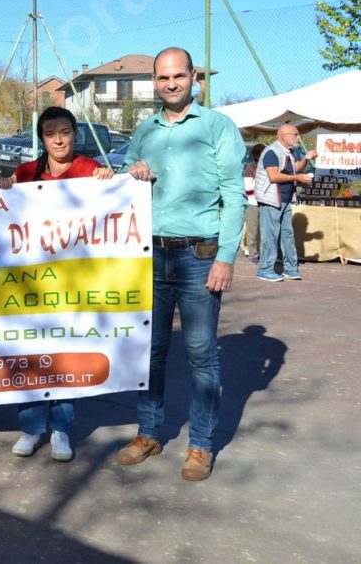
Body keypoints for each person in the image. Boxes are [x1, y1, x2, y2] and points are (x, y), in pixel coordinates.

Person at [117, 47, 246, 481]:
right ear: (153, 81)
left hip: (199, 255)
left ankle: (201, 445)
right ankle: (148, 433)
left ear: (194, 77)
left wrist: (225, 257)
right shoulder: (144, 131)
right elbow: (122, 180)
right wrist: (128, 169)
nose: (170, 84)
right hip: (149, 256)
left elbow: (234, 196)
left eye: (178, 76)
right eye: (162, 78)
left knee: (201, 355)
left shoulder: (217, 127)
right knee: (149, 353)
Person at [0, 106, 114, 462]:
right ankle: (31, 429)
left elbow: (116, 207)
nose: (58, 139)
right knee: (31, 353)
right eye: (50, 133)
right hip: (30, 284)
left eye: (65, 131)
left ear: (75, 134)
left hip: (74, 282)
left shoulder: (92, 171)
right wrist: (1, 189)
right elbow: (5, 211)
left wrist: (112, 181)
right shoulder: (26, 172)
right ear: (41, 138)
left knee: (66, 354)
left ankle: (61, 429)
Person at [254, 125, 317, 281]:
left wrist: (306, 159)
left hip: (286, 200)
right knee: (270, 235)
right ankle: (265, 269)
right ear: (284, 136)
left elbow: (295, 169)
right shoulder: (271, 152)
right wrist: (298, 178)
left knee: (287, 235)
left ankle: (290, 268)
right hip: (271, 201)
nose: (298, 137)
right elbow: (273, 177)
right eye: (295, 134)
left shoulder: (287, 152)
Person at [241, 143, 266, 264]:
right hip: (253, 203)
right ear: (256, 155)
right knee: (253, 229)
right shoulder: (250, 168)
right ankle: (253, 253)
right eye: (261, 153)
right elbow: (248, 188)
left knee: (264, 229)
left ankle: (262, 252)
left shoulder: (269, 167)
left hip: (266, 203)